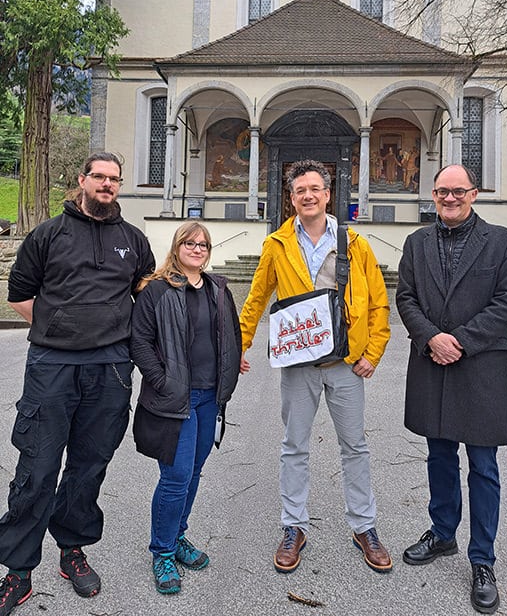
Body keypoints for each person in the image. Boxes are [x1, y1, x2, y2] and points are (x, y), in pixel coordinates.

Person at [1, 152, 155, 615]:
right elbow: (20, 295)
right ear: (82, 180)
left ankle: (72, 550)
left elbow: (146, 296)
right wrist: (58, 328)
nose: (107, 185)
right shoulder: (48, 234)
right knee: (37, 467)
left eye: (114, 179)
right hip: (52, 366)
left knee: (89, 465)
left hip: (110, 369)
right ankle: (19, 571)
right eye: (99, 177)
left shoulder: (133, 239)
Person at [240, 159, 392, 574]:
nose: (307, 195)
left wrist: (373, 353)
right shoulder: (277, 244)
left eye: (314, 189)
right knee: (294, 446)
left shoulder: (355, 243)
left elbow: (379, 303)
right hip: (298, 365)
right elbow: (256, 299)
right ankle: (294, 527)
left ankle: (364, 527)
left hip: (345, 363)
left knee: (355, 446)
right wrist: (240, 344)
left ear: (328, 194)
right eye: (299, 191)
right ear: (291, 200)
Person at [396, 164, 507, 615]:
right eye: (441, 192)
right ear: (433, 196)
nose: (449, 199)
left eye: (457, 191)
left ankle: (482, 559)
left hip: (481, 367)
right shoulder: (416, 243)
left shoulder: (505, 243)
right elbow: (406, 297)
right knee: (439, 455)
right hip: (433, 362)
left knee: (484, 466)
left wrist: (460, 343)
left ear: (474, 194)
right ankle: (443, 531)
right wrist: (432, 337)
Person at [130, 222, 242, 595]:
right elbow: (140, 341)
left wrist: (231, 363)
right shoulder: (157, 291)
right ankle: (161, 551)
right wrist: (163, 381)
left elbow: (229, 334)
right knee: (175, 476)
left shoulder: (217, 289)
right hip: (175, 398)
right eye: (190, 243)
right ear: (177, 247)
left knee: (193, 472)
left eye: (203, 245)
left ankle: (177, 536)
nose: (197, 249)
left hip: (210, 396)